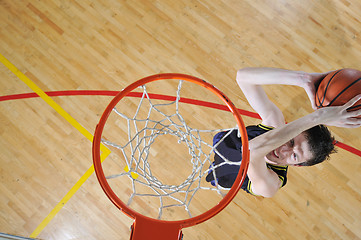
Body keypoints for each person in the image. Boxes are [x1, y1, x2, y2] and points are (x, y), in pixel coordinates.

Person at [206, 67, 361, 198]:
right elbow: (243, 77)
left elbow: (250, 151)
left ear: (297, 165)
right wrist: (303, 79)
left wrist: (317, 117)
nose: (282, 150)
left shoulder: (272, 184)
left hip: (223, 174)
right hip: (223, 142)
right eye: (291, 141)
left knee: (224, 172)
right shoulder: (274, 123)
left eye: (294, 155)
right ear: (293, 130)